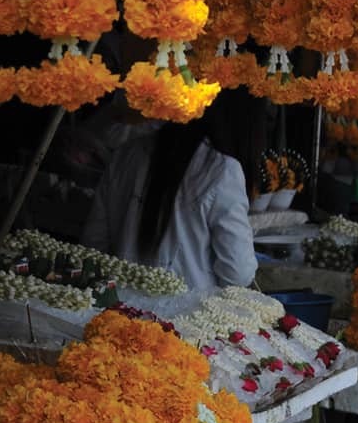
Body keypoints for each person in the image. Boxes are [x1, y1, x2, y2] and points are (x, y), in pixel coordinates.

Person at [81, 90, 258, 290]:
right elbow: (238, 272)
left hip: (119, 309)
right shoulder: (221, 171)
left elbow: (94, 243)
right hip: (187, 315)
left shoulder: (126, 154)